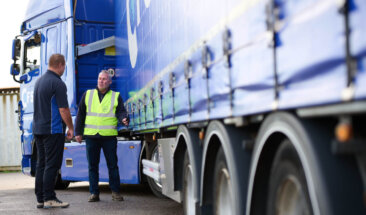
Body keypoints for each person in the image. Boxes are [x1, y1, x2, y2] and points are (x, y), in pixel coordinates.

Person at [75, 70, 129, 202]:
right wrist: (78, 132)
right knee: (92, 166)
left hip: (108, 137)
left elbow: (121, 111)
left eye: (104, 79)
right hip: (91, 136)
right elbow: (80, 114)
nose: (101, 81)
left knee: (113, 165)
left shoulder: (116, 96)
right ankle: (94, 193)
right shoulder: (88, 94)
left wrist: (124, 119)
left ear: (109, 82)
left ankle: (115, 192)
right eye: (99, 78)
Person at [33, 54, 74, 209]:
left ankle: (40, 198)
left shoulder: (39, 81)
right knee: (52, 164)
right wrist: (71, 127)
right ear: (60, 65)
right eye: (64, 66)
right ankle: (49, 197)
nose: (64, 69)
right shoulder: (57, 83)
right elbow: (63, 109)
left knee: (41, 164)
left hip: (38, 129)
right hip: (53, 130)